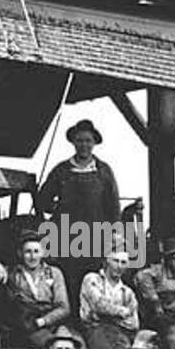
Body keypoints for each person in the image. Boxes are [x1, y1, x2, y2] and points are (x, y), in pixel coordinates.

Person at [36, 118, 122, 295]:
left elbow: (113, 204)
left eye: (88, 141)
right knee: (68, 276)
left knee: (93, 277)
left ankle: (90, 320)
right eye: (80, 140)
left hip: (96, 234)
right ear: (73, 143)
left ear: (94, 143)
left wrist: (115, 233)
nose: (84, 145)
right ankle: (70, 319)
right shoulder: (61, 170)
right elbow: (43, 199)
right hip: (66, 234)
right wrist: (56, 209)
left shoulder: (104, 171)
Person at [0, 231, 71, 348]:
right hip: (28, 328)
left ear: (42, 253)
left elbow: (64, 308)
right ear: (20, 253)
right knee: (53, 347)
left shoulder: (54, 273)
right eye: (28, 252)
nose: (33, 257)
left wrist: (42, 321)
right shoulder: (12, 274)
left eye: (36, 251)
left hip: (53, 323)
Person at [80, 249, 140, 349]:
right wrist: (121, 312)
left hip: (120, 334)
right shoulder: (92, 279)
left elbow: (134, 323)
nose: (119, 266)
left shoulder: (127, 292)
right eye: (116, 261)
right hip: (96, 329)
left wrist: (112, 314)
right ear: (106, 261)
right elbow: (98, 305)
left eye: (123, 262)